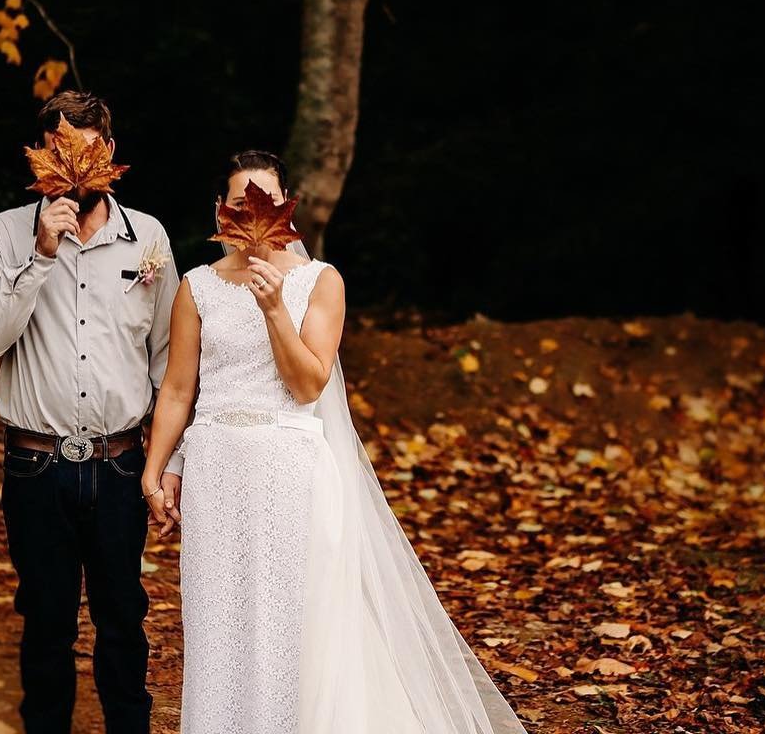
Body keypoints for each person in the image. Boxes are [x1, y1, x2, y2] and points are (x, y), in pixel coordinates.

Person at [142, 150, 530, 734]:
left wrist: (273, 308)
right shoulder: (197, 287)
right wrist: (156, 469)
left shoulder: (321, 282)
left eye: (265, 202)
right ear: (219, 211)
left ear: (285, 211)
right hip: (216, 471)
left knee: (295, 623)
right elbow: (177, 388)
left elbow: (306, 385)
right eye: (238, 202)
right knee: (219, 622)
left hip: (291, 472)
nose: (251, 214)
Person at [0, 90, 184, 734]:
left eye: (85, 150)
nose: (73, 164)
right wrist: (40, 254)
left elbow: (169, 359)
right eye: (59, 151)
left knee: (122, 619)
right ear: (40, 159)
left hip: (119, 465)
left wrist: (168, 462)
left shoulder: (151, 238)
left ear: (108, 153)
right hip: (36, 466)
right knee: (47, 622)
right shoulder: (6, 234)